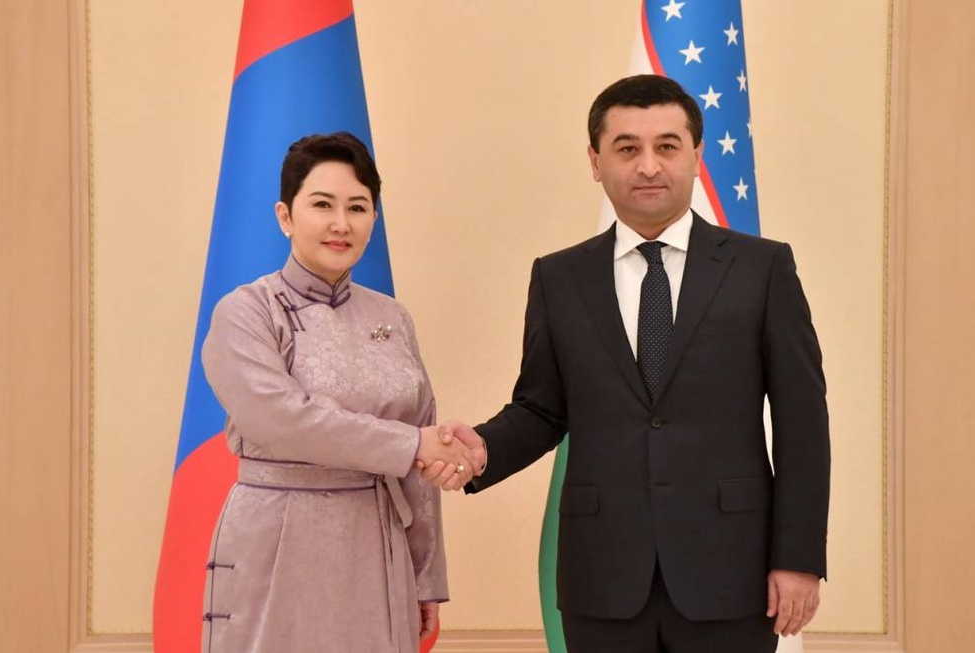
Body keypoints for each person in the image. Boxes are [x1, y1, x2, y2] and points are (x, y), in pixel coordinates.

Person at [422, 75, 830, 652]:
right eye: (627, 148)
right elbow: (542, 408)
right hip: (602, 574)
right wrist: (482, 448)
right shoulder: (559, 277)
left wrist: (798, 558)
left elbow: (802, 422)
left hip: (732, 571)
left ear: (696, 155)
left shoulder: (762, 269)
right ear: (595, 161)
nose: (648, 166)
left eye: (667, 146)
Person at [200, 132, 476, 653]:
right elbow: (282, 420)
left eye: (358, 207)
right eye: (322, 205)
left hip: (378, 547)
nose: (341, 224)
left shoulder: (392, 317)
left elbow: (420, 449)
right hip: (278, 542)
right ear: (285, 216)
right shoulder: (246, 311)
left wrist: (425, 576)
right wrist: (412, 444)